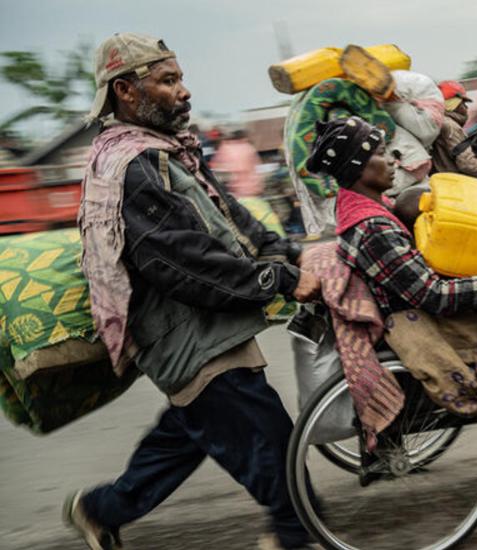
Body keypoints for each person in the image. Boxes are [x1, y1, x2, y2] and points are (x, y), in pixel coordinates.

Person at [68, 33, 321, 550]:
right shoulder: (131, 169)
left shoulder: (167, 153)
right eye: (168, 81)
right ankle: (296, 535)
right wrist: (284, 281)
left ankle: (97, 510)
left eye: (179, 78)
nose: (184, 92)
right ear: (125, 91)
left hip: (209, 332)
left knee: (187, 435)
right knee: (280, 459)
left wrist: (292, 250)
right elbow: (186, 265)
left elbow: (232, 217)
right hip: (189, 340)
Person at [307, 116, 477, 457]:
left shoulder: (362, 208)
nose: (392, 160)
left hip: (410, 303)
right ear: (357, 168)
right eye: (379, 153)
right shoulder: (372, 228)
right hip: (420, 319)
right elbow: (432, 295)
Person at [210, 128, 265, 197]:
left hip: (235, 194)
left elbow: (218, 172)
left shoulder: (224, 149)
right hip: (252, 191)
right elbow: (257, 170)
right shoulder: (249, 148)